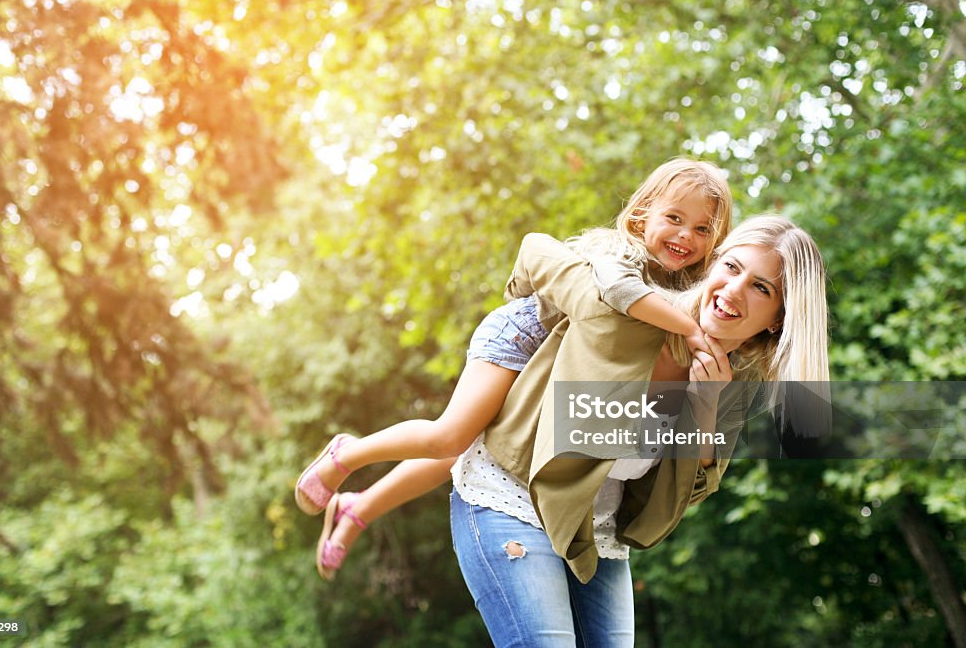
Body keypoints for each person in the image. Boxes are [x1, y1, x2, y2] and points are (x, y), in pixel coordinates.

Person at [294, 158, 733, 579]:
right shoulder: (618, 253)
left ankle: (359, 508)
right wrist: (690, 330)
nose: (685, 236)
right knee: (453, 436)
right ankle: (345, 454)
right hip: (525, 337)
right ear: (641, 216)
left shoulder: (693, 289)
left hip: (562, 364)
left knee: (465, 453)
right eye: (674, 218)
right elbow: (616, 292)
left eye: (701, 229)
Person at [451, 215, 830, 646]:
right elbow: (539, 254)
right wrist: (515, 311)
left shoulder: (734, 381)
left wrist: (705, 403)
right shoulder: (635, 309)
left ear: (778, 319)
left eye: (761, 287)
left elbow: (691, 489)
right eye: (731, 267)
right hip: (512, 496)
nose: (733, 290)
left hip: (597, 536)